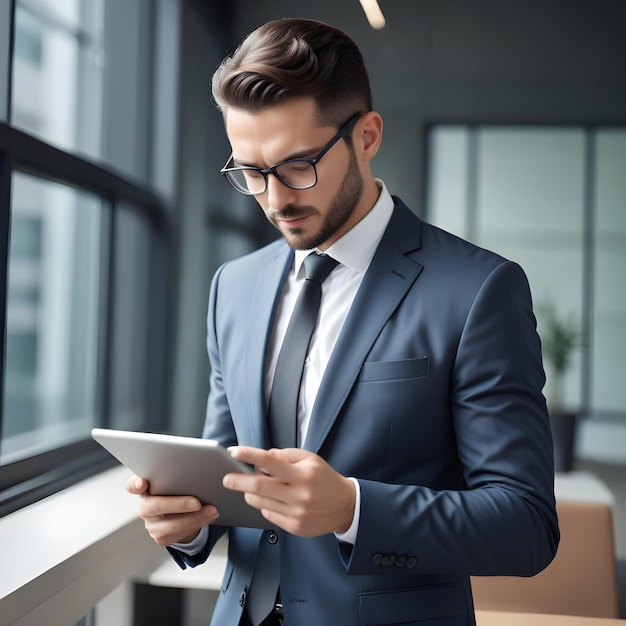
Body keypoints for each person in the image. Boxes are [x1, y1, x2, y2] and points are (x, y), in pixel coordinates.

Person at [127, 17, 559, 626]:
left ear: (367, 135)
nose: (275, 199)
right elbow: (232, 471)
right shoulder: (235, 287)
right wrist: (186, 524)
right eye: (250, 173)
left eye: (297, 165)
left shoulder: (477, 290)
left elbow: (526, 526)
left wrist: (354, 509)